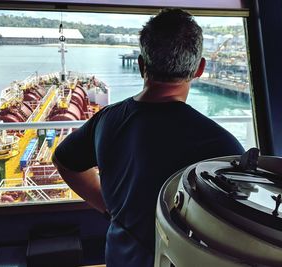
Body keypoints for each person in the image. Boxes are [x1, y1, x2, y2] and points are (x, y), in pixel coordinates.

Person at [52, 8, 244, 267]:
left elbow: (64, 160)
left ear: (142, 65)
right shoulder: (222, 146)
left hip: (119, 256)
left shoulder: (106, 119)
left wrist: (109, 206)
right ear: (200, 69)